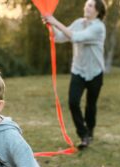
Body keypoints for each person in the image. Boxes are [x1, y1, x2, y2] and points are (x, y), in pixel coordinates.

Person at [43, 0, 107, 149]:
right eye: (86, 4)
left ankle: (89, 131)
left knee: (91, 106)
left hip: (95, 72)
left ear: (97, 10)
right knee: (73, 102)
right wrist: (50, 25)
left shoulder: (98, 27)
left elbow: (76, 37)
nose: (87, 7)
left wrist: (54, 20)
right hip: (78, 70)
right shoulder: (78, 22)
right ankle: (83, 135)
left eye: (90, 5)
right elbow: (60, 37)